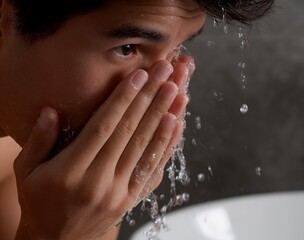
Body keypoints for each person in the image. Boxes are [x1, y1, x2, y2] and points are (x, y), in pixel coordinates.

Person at [0, 0, 274, 239]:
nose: (160, 91)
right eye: (127, 48)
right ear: (7, 17)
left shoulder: (50, 183)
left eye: (176, 49)